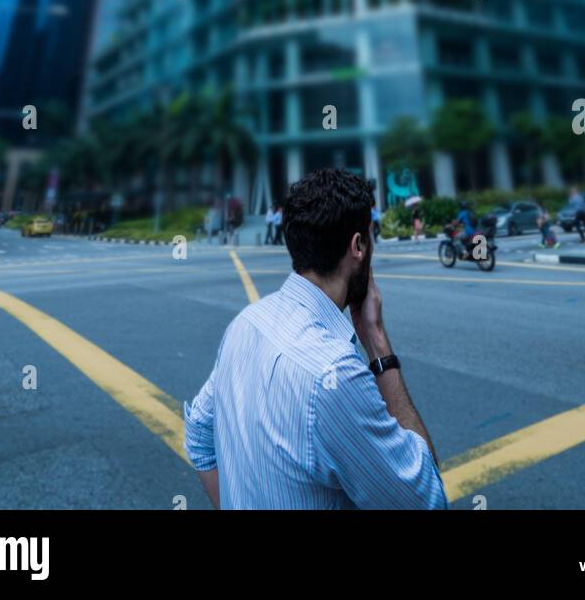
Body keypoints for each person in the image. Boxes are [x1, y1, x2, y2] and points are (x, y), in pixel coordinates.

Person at [184, 168, 447, 511]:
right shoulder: (334, 374)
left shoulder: (246, 323)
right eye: (371, 238)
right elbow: (426, 500)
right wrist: (377, 341)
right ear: (358, 247)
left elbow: (200, 437)